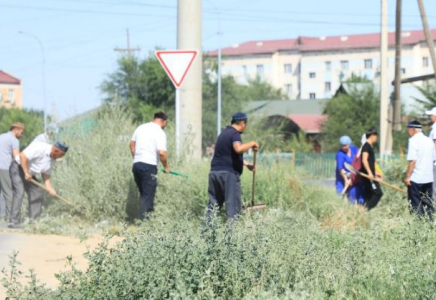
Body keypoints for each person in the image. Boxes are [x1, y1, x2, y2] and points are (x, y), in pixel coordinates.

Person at [205, 112, 258, 223]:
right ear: (243, 123)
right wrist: (252, 143)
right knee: (233, 211)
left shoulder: (223, 134)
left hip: (215, 174)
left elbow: (225, 155)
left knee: (213, 208)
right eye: (246, 124)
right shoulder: (235, 134)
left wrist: (246, 164)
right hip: (228, 175)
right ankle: (231, 239)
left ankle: (205, 236)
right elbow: (238, 149)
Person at [9, 141, 68, 228]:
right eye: (61, 154)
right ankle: (14, 221)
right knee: (20, 191)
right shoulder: (39, 147)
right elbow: (22, 156)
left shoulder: (53, 158)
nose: (60, 157)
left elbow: (45, 173)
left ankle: (34, 221)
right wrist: (26, 172)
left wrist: (49, 188)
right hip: (18, 168)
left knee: (37, 191)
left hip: (29, 173)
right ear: (55, 150)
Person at [130, 112, 170, 220]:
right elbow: (162, 153)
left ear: (154, 118)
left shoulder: (140, 128)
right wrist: (166, 166)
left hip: (137, 165)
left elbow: (132, 144)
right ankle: (143, 224)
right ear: (164, 122)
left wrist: (137, 157)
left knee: (144, 195)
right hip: (149, 166)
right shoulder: (159, 132)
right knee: (148, 196)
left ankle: (149, 220)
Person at [404, 120, 436, 220]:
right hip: (428, 178)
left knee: (416, 206)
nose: (408, 132)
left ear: (412, 129)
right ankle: (430, 224)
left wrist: (408, 177)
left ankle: (419, 226)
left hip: (416, 179)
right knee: (428, 204)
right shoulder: (428, 140)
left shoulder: (413, 140)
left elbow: (412, 161)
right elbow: (433, 159)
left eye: (408, 130)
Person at [0, 122, 25, 221]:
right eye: (21, 133)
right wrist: (24, 170)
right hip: (4, 168)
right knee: (8, 193)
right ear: (16, 130)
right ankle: (10, 217)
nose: (21, 135)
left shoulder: (1, 136)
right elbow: (17, 157)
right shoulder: (14, 140)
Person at [335, 136, 363, 204]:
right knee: (340, 195)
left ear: (349, 144)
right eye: (342, 146)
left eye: (345, 146)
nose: (343, 147)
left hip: (353, 176)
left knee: (354, 193)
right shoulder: (340, 155)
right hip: (342, 176)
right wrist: (346, 179)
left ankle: (359, 207)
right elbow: (341, 169)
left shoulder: (353, 149)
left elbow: (359, 157)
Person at [360, 128, 383, 210]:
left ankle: (364, 212)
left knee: (369, 194)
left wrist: (376, 173)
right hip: (368, 176)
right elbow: (364, 160)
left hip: (371, 175)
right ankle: (364, 210)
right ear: (372, 135)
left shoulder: (369, 146)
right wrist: (370, 173)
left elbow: (371, 162)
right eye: (376, 136)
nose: (376, 138)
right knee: (378, 193)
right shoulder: (366, 146)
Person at [425, 107, 436, 201]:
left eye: (431, 115)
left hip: (434, 163)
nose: (430, 117)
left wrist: (432, 159)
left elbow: (435, 144)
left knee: (434, 189)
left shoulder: (435, 128)